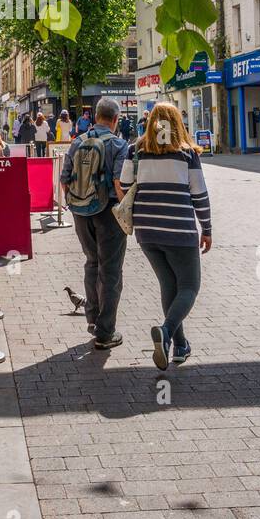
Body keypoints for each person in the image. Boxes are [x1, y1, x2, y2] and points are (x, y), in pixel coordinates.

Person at [118, 102, 211, 371]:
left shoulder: (136, 150)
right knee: (190, 286)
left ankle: (179, 346)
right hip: (179, 229)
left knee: (168, 284)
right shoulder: (187, 153)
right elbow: (199, 194)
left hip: (147, 231)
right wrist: (207, 228)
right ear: (177, 122)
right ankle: (167, 332)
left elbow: (124, 185)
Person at [60, 96, 128, 350]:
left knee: (92, 262)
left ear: (95, 116)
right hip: (108, 212)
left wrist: (75, 202)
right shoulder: (119, 144)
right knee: (110, 271)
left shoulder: (77, 142)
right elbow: (120, 182)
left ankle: (93, 319)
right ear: (115, 119)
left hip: (80, 212)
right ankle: (106, 332)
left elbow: (64, 179)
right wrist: (125, 213)